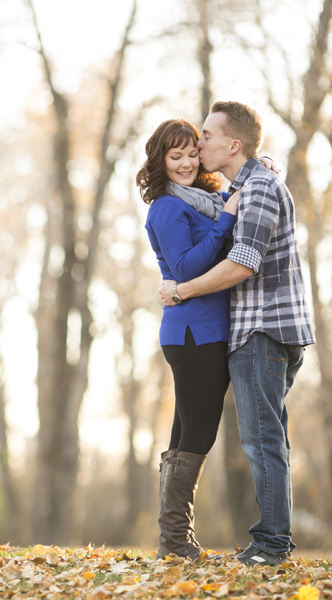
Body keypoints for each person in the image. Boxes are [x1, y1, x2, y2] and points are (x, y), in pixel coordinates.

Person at [158, 101, 315, 566]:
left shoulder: (260, 187)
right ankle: (269, 539)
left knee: (262, 440)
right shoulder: (249, 184)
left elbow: (243, 263)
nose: (198, 143)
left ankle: (270, 544)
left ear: (233, 144)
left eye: (206, 135)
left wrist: (181, 290)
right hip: (256, 331)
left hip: (262, 330)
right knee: (268, 438)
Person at [137, 118, 241, 560]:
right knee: (199, 430)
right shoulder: (167, 207)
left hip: (205, 328)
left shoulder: (203, 199)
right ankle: (175, 539)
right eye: (174, 156)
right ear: (161, 160)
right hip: (193, 330)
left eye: (190, 153)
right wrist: (228, 220)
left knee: (185, 431)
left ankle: (174, 541)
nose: (184, 163)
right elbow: (183, 269)